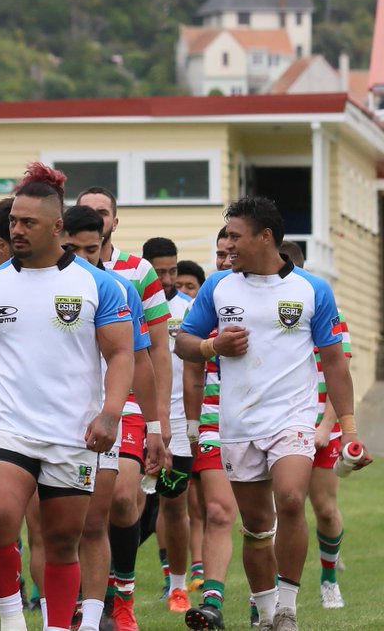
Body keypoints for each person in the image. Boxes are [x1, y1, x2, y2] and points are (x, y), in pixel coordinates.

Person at [0, 163, 134, 631]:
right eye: (13, 221)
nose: (17, 230)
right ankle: (11, 621)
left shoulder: (99, 285)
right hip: (7, 427)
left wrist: (111, 414)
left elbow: (121, 354)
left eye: (28, 222)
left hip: (73, 434)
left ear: (56, 227)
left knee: (64, 541)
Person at [177, 197, 371, 631]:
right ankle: (266, 616)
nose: (227, 244)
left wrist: (349, 428)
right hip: (238, 423)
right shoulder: (218, 287)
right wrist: (212, 346)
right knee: (257, 525)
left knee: (290, 499)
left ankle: (287, 609)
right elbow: (184, 343)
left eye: (235, 235)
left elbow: (335, 362)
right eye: (226, 236)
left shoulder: (311, 289)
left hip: (293, 418)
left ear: (265, 237)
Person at [61, 206, 161, 631]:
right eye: (74, 249)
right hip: (64, 412)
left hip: (122, 409)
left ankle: (123, 598)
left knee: (121, 498)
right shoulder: (46, 285)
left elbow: (143, 359)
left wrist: (156, 427)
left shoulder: (120, 288)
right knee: (72, 518)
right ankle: (80, 605)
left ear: (105, 243)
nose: (84, 258)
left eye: (92, 248)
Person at [278, 240, 352, 611]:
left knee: (324, 508)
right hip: (280, 427)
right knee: (281, 510)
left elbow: (339, 374)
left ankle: (329, 579)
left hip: (322, 428)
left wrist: (326, 425)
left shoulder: (325, 309)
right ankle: (274, 592)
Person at [180, 229, 239, 631]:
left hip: (271, 425)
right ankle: (212, 601)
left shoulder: (291, 294)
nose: (224, 260)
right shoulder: (211, 296)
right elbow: (191, 366)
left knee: (261, 520)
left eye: (231, 252)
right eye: (219, 253)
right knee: (216, 510)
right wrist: (192, 424)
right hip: (215, 421)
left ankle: (266, 599)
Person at [141, 236, 199, 615]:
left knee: (175, 505)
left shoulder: (190, 310)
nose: (166, 279)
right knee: (123, 505)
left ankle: (177, 587)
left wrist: (193, 423)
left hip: (176, 422)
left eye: (172, 271)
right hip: (136, 417)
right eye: (159, 271)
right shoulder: (132, 302)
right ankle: (115, 586)